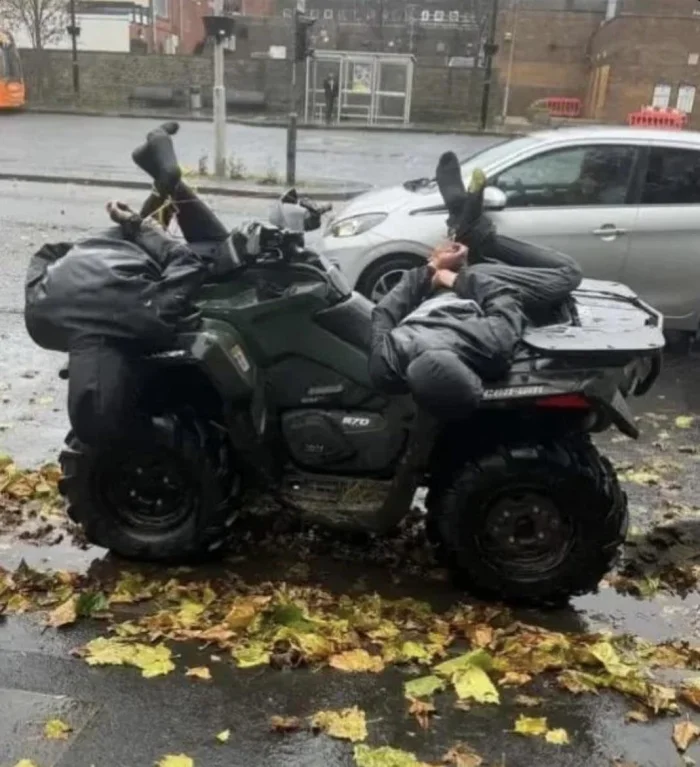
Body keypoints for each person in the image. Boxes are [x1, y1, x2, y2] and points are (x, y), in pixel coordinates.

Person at [369, 163, 582, 420]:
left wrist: (453, 278)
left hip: (472, 286)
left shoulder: (491, 346)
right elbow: (384, 311)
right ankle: (465, 230)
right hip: (440, 290)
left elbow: (504, 297)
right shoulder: (387, 364)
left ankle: (482, 238)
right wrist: (432, 271)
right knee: (480, 266)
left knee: (568, 273)